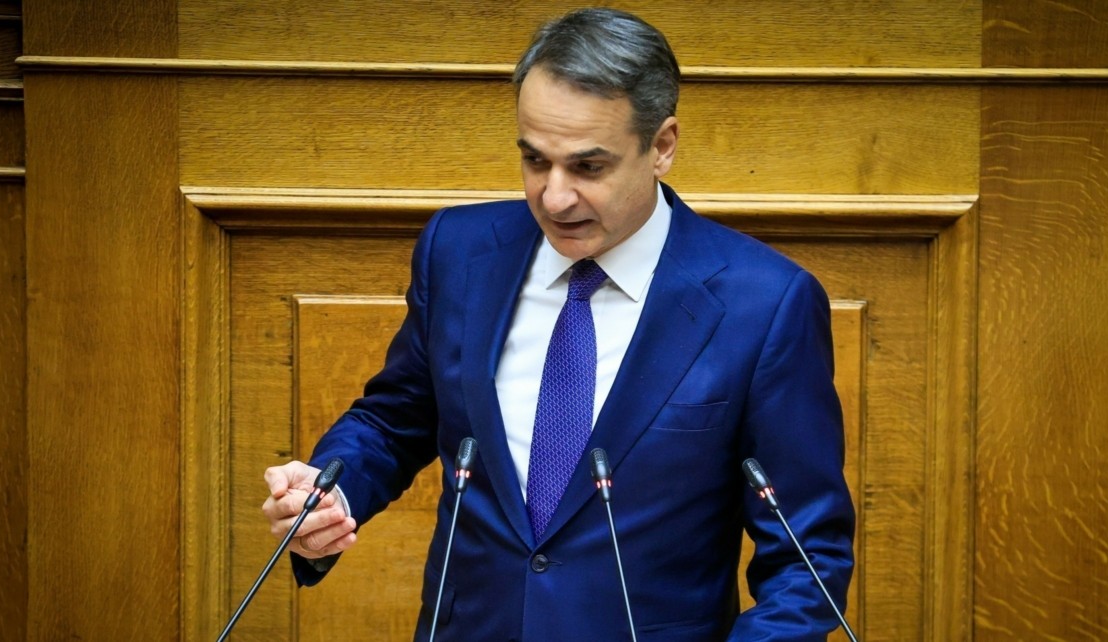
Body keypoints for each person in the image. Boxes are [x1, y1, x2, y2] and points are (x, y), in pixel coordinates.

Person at [261, 8, 854, 640]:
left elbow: (807, 561)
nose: (554, 197)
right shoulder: (459, 251)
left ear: (662, 146)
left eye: (588, 167)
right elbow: (395, 418)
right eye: (535, 160)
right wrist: (331, 495)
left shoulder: (765, 304)